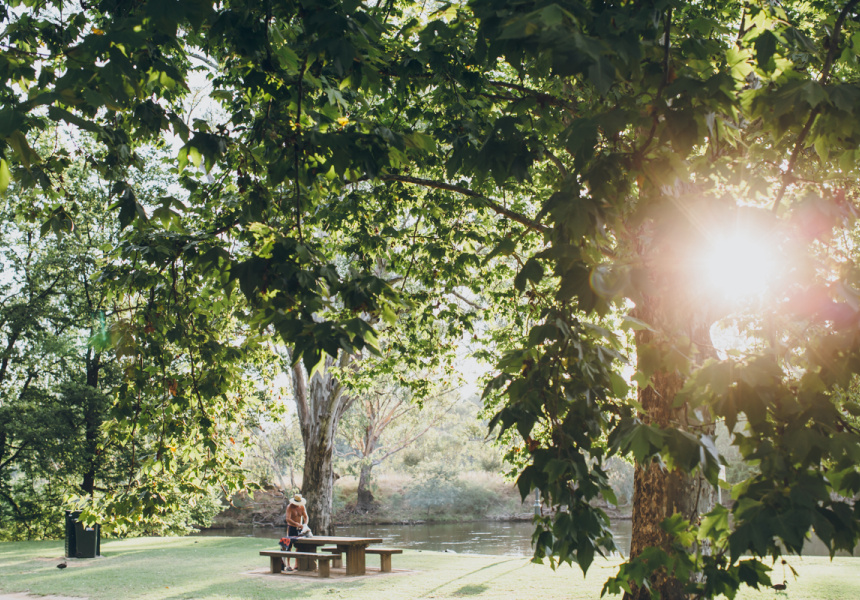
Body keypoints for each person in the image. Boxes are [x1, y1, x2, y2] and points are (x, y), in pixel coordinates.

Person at [284, 493, 309, 572]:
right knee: (289, 545)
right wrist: (296, 524)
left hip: (299, 528)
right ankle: (288, 564)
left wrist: (305, 524)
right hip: (291, 527)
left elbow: (306, 516)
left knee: (299, 545)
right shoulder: (290, 507)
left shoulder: (302, 507)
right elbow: (288, 519)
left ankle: (296, 564)